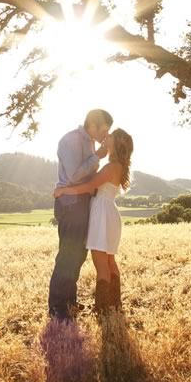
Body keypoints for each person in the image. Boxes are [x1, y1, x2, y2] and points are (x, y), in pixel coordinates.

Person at [53, 128, 134, 314]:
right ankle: (114, 304)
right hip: (110, 212)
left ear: (117, 143)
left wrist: (64, 190)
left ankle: (103, 308)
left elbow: (88, 186)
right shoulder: (118, 166)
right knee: (110, 260)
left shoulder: (110, 167)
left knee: (101, 263)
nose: (107, 137)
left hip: (102, 213)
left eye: (111, 136)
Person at [48, 109, 113, 321]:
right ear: (93, 125)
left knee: (78, 255)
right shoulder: (71, 140)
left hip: (81, 201)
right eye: (104, 129)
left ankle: (69, 302)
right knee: (68, 254)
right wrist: (98, 157)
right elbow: (75, 175)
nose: (106, 135)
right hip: (71, 203)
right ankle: (58, 308)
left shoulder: (89, 141)